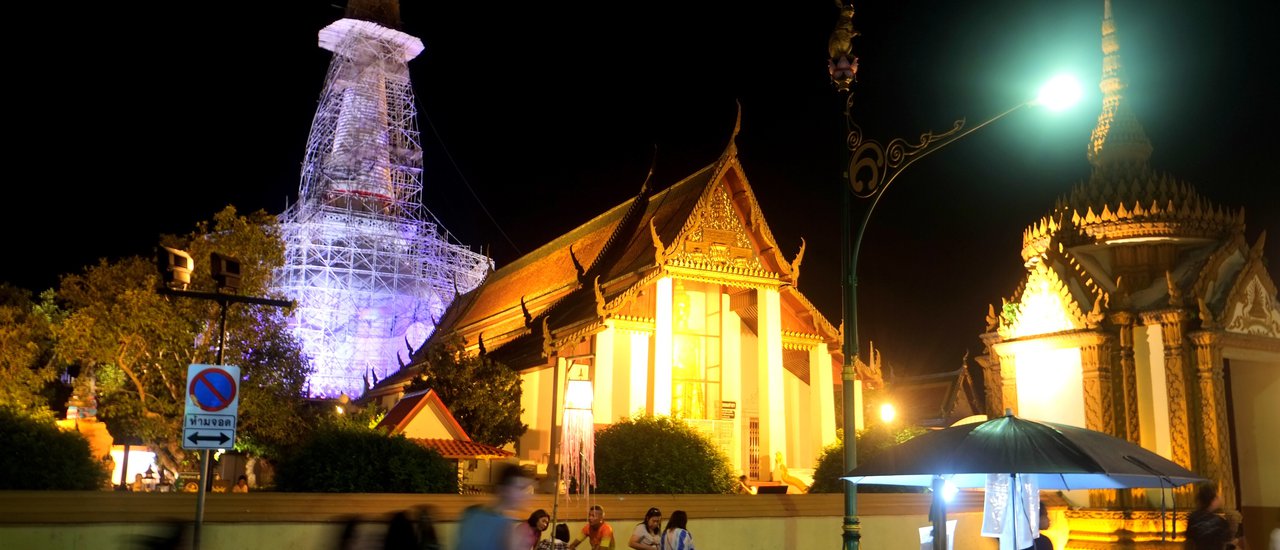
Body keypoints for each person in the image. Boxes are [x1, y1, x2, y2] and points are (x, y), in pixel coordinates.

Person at [455, 463, 534, 550]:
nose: (524, 495)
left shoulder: (471, 513)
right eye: (520, 488)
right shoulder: (504, 526)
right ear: (504, 489)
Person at [1185, 483, 1237, 550]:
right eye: (1217, 497)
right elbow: (1227, 545)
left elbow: (1189, 541)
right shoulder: (1220, 522)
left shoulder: (1193, 518)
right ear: (1212, 500)